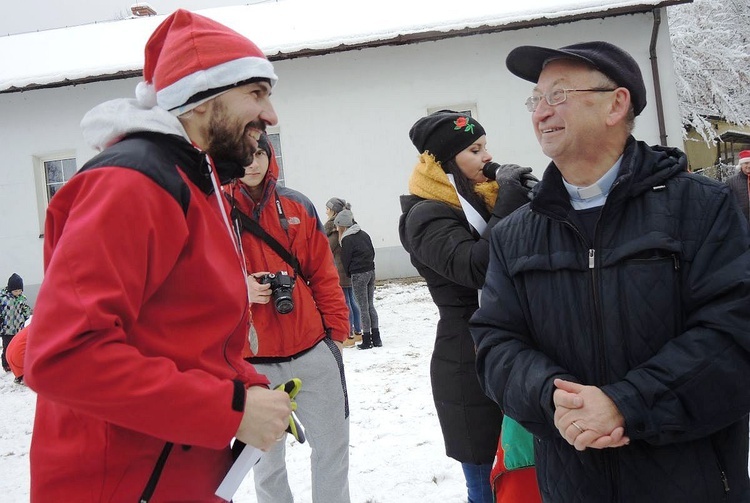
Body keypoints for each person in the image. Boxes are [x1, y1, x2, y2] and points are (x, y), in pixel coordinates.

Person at [23, 10, 294, 502]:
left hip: (177, 474)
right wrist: (230, 410)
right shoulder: (131, 184)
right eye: (256, 93)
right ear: (201, 99)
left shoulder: (192, 181)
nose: (271, 115)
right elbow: (64, 355)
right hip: (120, 484)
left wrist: (247, 386)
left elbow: (181, 334)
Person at [470, 41, 750, 503]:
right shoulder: (515, 233)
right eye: (535, 100)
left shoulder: (702, 208)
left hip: (691, 481)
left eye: (558, 95)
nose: (541, 112)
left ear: (616, 104)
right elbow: (496, 343)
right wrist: (549, 396)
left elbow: (734, 335)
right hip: (571, 482)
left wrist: (626, 403)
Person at [398, 111, 534, 503]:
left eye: (485, 147)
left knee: (523, 476)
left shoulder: (480, 200)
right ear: (445, 162)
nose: (486, 157)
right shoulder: (424, 215)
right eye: (475, 150)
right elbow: (476, 267)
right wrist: (510, 200)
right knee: (486, 485)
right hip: (467, 362)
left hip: (512, 350)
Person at [224, 133, 352, 503]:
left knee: (332, 451)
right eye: (244, 155)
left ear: (269, 155)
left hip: (313, 349)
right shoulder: (213, 209)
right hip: (253, 361)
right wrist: (239, 289)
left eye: (260, 153)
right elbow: (198, 281)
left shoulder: (297, 204)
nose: (253, 162)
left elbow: (324, 274)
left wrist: (336, 337)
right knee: (266, 464)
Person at [334, 209, 381, 350]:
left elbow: (345, 260)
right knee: (370, 305)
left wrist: (349, 273)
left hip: (358, 274)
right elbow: (372, 251)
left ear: (343, 226)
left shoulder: (347, 239)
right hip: (370, 271)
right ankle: (376, 337)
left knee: (362, 308)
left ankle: (366, 340)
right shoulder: (364, 234)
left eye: (337, 226)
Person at [324, 197, 363, 348]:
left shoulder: (335, 228)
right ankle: (358, 331)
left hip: (340, 270)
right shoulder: (347, 224)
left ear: (333, 211)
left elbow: (327, 249)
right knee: (353, 301)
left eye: (328, 208)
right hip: (347, 269)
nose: (326, 211)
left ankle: (350, 335)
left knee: (346, 303)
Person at [1, 273, 32, 373]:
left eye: (20, 290)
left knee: (16, 347)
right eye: (15, 291)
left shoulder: (22, 298)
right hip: (6, 328)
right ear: (10, 290)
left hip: (18, 328)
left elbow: (26, 311)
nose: (18, 293)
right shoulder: (3, 298)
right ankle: (6, 364)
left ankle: (18, 362)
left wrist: (25, 313)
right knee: (7, 347)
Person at [726, 149, 750, 222]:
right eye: (746, 163)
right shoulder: (731, 182)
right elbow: (727, 204)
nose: (749, 166)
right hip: (741, 223)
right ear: (741, 164)